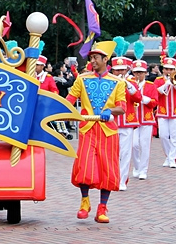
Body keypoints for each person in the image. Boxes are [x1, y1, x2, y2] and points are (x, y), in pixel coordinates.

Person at [66, 41, 125, 223]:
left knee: (107, 170)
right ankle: (85, 202)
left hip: (108, 131)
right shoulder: (82, 79)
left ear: (105, 59)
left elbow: (122, 107)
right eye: (91, 57)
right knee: (84, 166)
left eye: (95, 57)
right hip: (87, 129)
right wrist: (62, 110)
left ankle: (102, 208)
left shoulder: (117, 83)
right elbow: (69, 99)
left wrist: (111, 111)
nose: (92, 60)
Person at [112, 56, 141, 191]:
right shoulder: (109, 82)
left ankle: (122, 180)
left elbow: (138, 98)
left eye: (122, 70)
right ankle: (112, 178)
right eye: (117, 70)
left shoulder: (132, 83)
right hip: (112, 122)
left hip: (127, 122)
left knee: (125, 153)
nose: (120, 73)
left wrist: (128, 85)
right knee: (112, 153)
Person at [154, 56, 176, 168]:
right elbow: (156, 94)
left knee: (174, 136)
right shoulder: (158, 81)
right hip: (162, 111)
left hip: (175, 112)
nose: (169, 71)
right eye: (167, 69)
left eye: (171, 69)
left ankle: (172, 159)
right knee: (163, 135)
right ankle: (168, 156)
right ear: (163, 70)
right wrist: (166, 84)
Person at [131, 59, 158, 180]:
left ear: (145, 73)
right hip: (133, 119)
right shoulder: (130, 84)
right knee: (134, 145)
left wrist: (145, 100)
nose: (138, 75)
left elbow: (155, 102)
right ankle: (137, 166)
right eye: (136, 72)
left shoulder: (151, 86)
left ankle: (143, 170)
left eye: (141, 72)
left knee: (145, 145)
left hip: (146, 118)